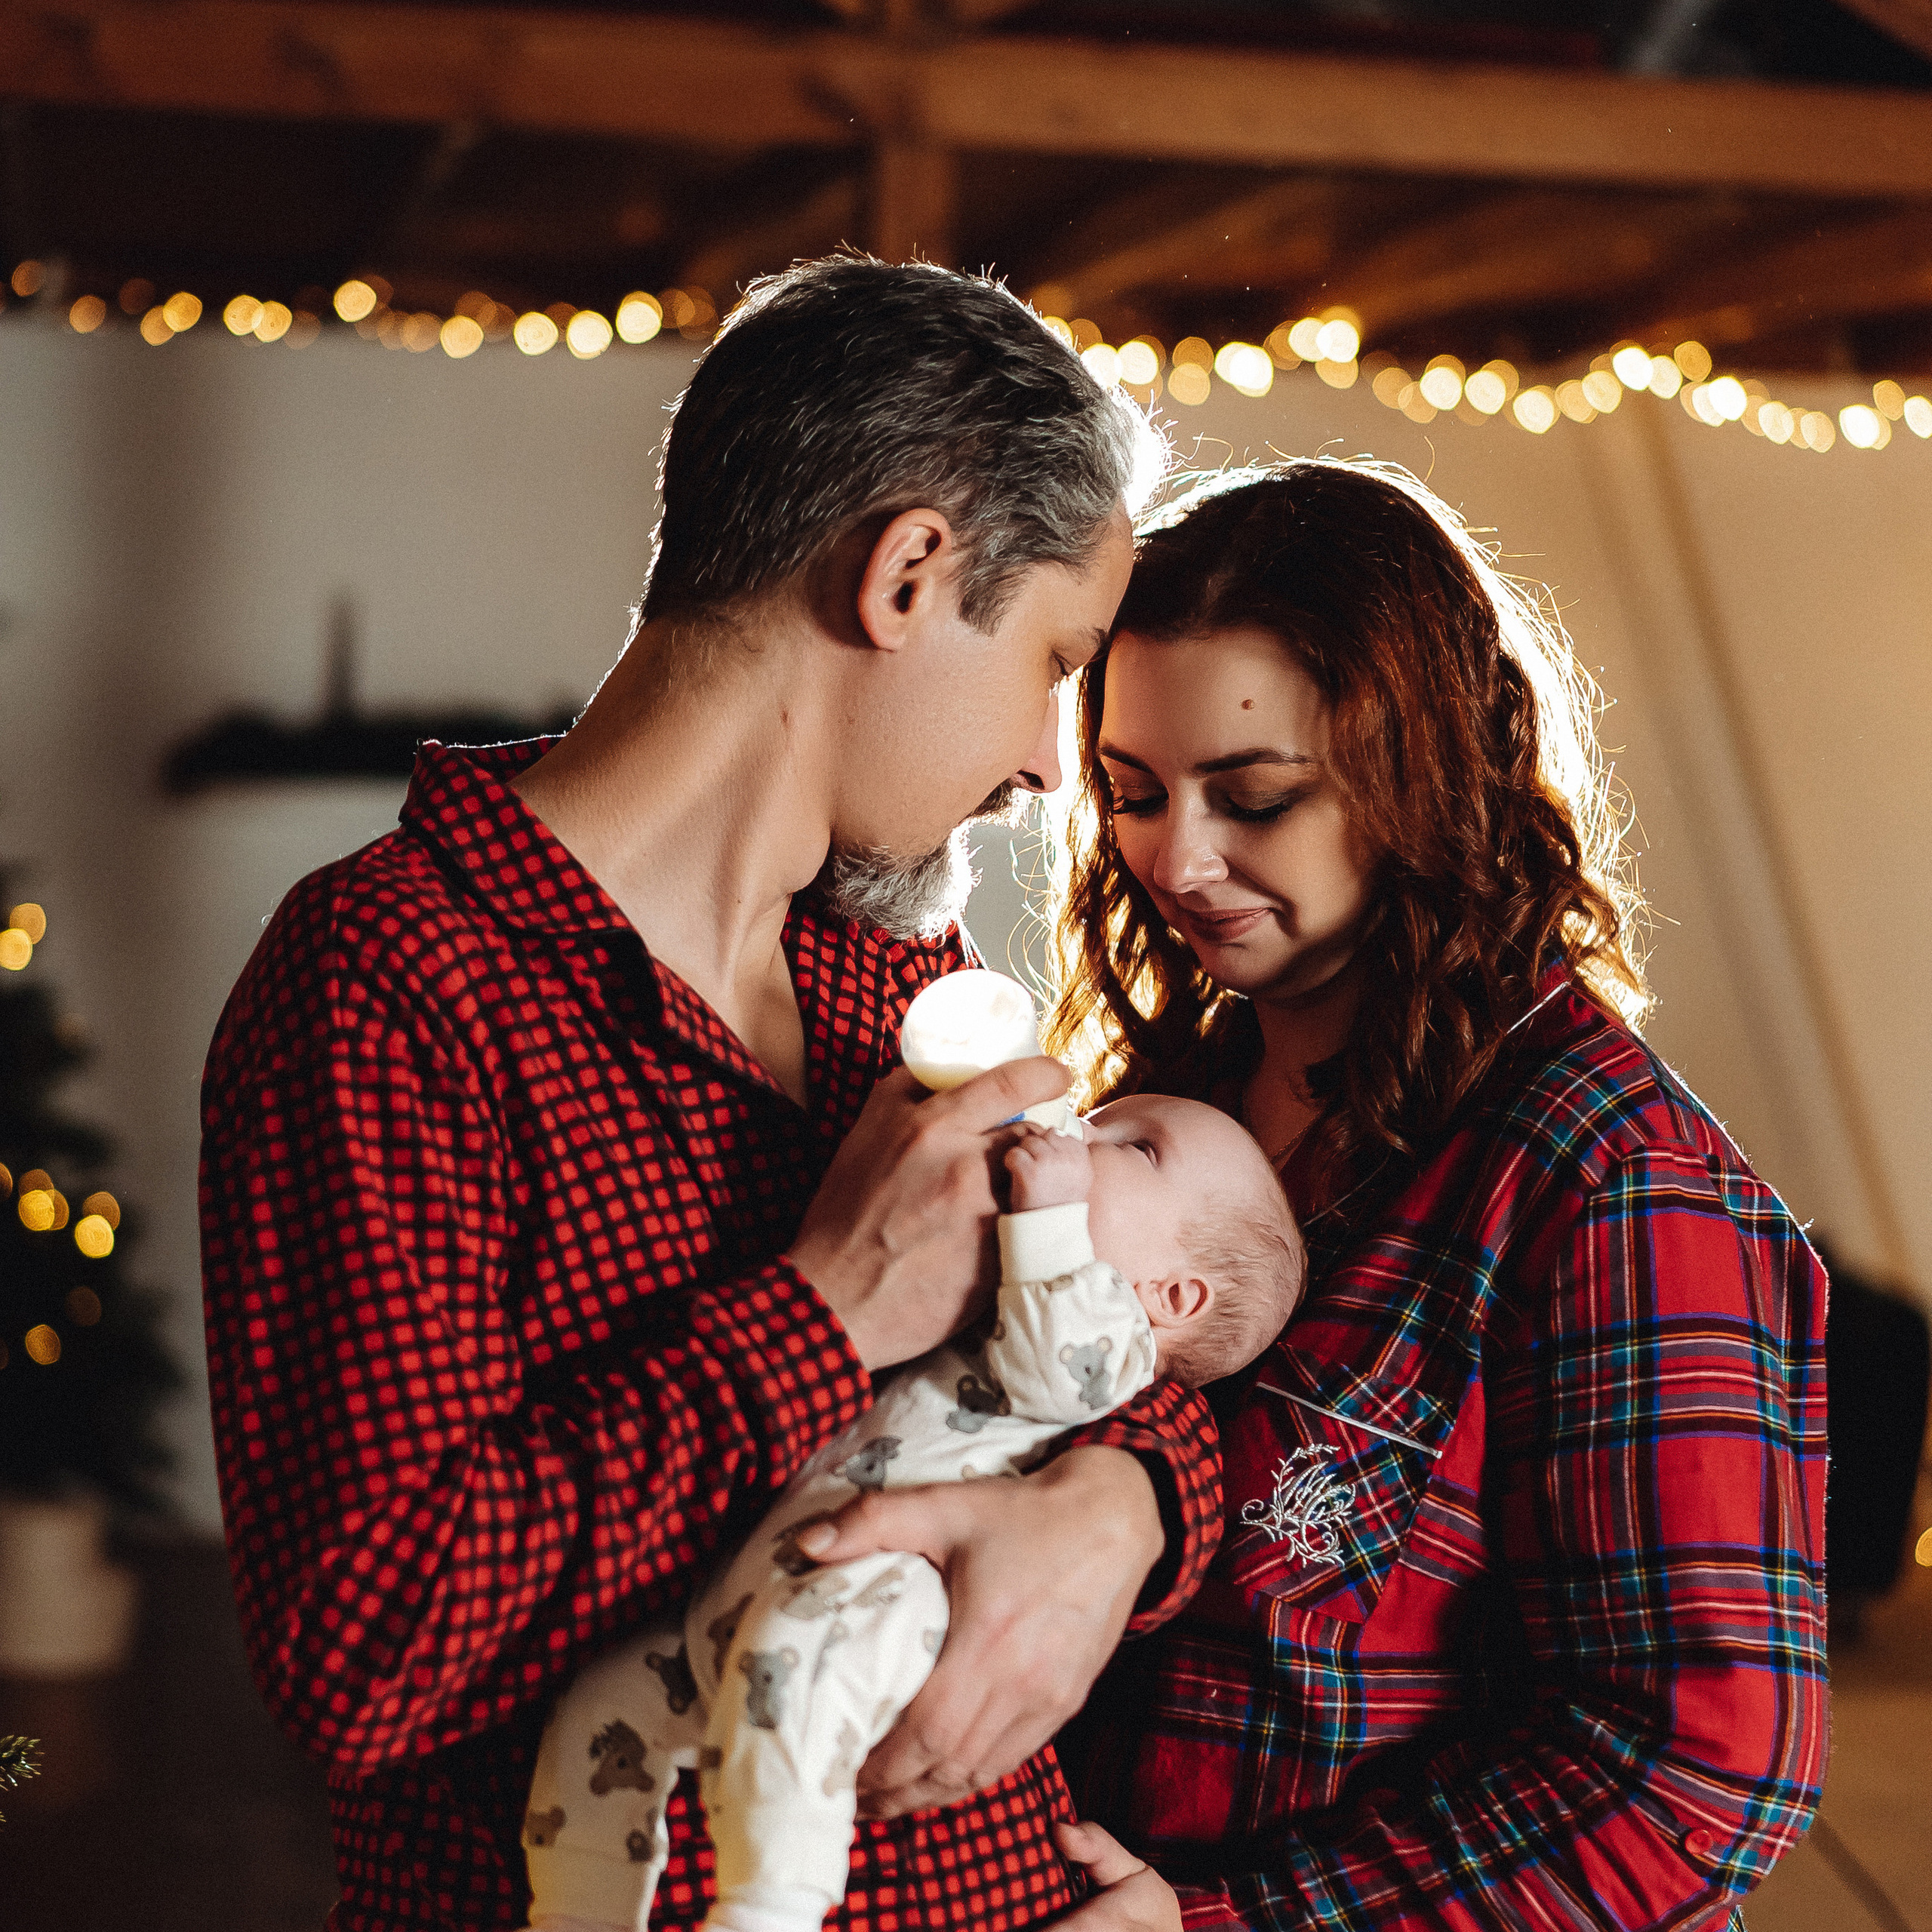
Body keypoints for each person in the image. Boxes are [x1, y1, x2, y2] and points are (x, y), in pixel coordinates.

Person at [197, 256, 1217, 1932]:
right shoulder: (388, 976)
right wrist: (819, 1311)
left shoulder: (897, 979)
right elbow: (368, 1653)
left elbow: (1115, 1347)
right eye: (1054, 655)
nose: (1048, 757)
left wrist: (1126, 1504)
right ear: (904, 574)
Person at [1047, 460, 1829, 1931]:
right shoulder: (1167, 1102)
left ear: (1421, 770)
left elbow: (1698, 1759)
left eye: (1253, 795)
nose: (1177, 858)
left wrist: (1232, 1924)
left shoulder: (1610, 1179)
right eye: (1133, 792)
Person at [524, 1097, 1303, 1932]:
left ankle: (769, 1908)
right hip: (762, 1576)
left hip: (884, 1595)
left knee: (795, 1682)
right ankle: (581, 1905)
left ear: (1173, 1295)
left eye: (1134, 1147)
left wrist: (1046, 1220)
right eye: (1097, 1113)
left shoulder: (1106, 1332)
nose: (1083, 1130)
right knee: (604, 1706)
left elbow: (1062, 1377)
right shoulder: (1007, 1280)